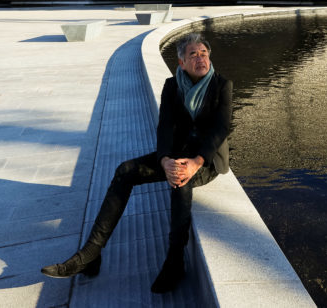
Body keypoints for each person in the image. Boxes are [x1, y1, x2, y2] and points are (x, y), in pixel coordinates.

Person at [41, 32, 232, 294]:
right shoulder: (171, 86)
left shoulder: (222, 85)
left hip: (206, 161)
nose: (201, 58)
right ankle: (90, 254)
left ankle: (175, 261)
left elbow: (221, 128)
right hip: (176, 154)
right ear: (182, 63)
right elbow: (164, 126)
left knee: (181, 181)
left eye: (204, 53)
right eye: (193, 54)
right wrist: (164, 159)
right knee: (125, 171)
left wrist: (197, 161)